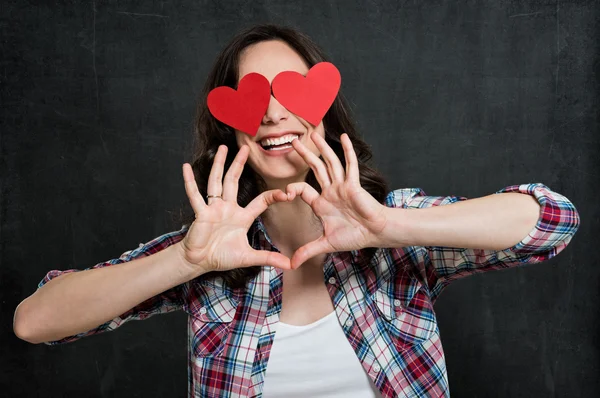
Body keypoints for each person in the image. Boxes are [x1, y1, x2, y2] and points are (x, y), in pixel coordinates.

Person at [13, 24, 581, 398]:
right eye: (253, 97)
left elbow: (551, 222)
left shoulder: (395, 229)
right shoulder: (205, 254)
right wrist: (185, 262)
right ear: (231, 128)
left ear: (324, 111)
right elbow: (34, 321)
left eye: (291, 91)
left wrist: (390, 228)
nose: (273, 114)